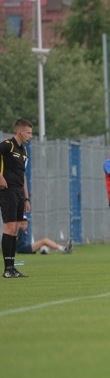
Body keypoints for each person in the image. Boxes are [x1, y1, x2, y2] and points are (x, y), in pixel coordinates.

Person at [1, 119, 33, 278]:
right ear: (20, 132)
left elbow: (23, 176)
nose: (30, 136)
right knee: (9, 227)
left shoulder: (24, 150)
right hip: (7, 191)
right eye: (28, 132)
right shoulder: (7, 145)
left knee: (15, 229)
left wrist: (27, 199)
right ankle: (7, 269)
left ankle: (12, 268)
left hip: (20, 193)